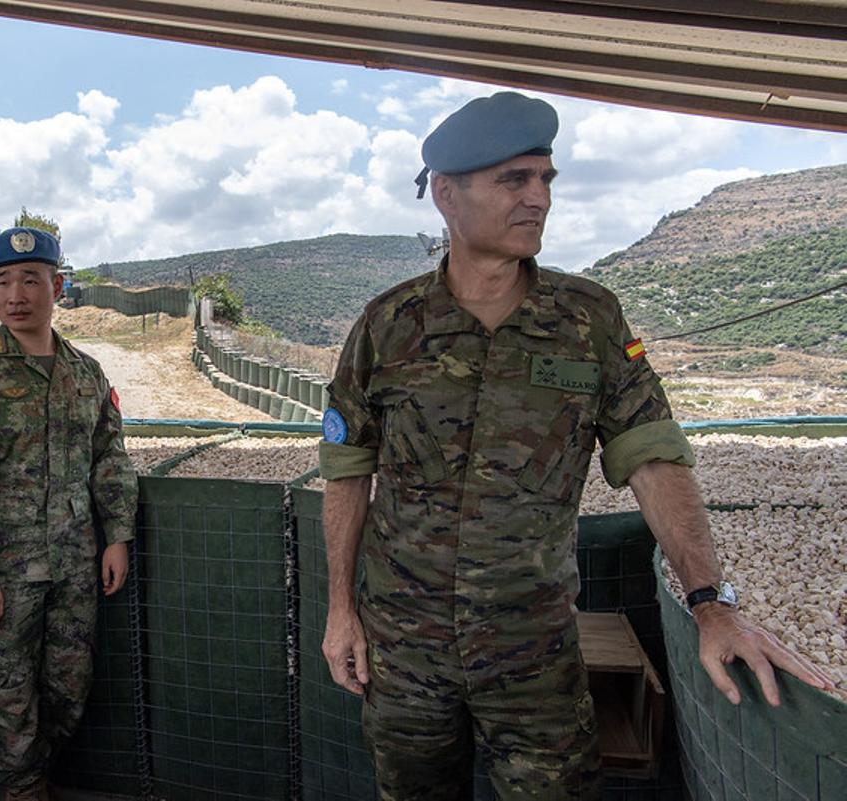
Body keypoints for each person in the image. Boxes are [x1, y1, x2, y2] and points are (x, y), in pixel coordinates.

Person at [316, 92, 835, 801]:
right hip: (405, 654)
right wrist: (340, 610)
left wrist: (712, 603)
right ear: (446, 195)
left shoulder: (588, 320)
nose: (538, 198)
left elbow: (653, 456)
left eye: (545, 180)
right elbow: (348, 471)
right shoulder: (387, 325)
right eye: (514, 179)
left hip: (536, 657)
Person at [0, 227, 138, 801]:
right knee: (7, 692)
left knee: (70, 687)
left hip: (76, 567)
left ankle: (38, 774)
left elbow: (109, 458)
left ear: (57, 286)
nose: (15, 294)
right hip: (5, 573)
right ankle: (20, 788)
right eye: (1, 282)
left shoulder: (87, 373)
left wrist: (116, 535)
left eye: (30, 279)